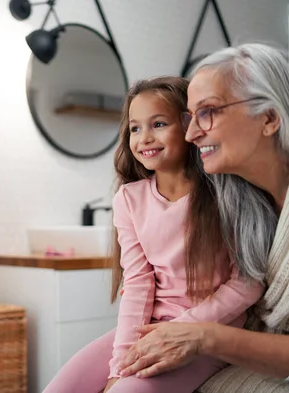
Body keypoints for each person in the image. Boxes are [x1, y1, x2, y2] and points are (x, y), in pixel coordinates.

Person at [42, 76, 264, 393]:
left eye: (158, 124)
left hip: (208, 334)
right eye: (135, 128)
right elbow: (137, 282)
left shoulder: (225, 194)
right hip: (151, 328)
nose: (144, 137)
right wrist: (120, 363)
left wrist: (179, 331)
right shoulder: (129, 199)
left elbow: (247, 284)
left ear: (190, 127)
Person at [116, 43, 289, 389]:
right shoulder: (246, 200)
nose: (192, 134)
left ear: (269, 118)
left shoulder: (221, 201)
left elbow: (244, 289)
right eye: (189, 117)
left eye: (208, 112)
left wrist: (200, 336)